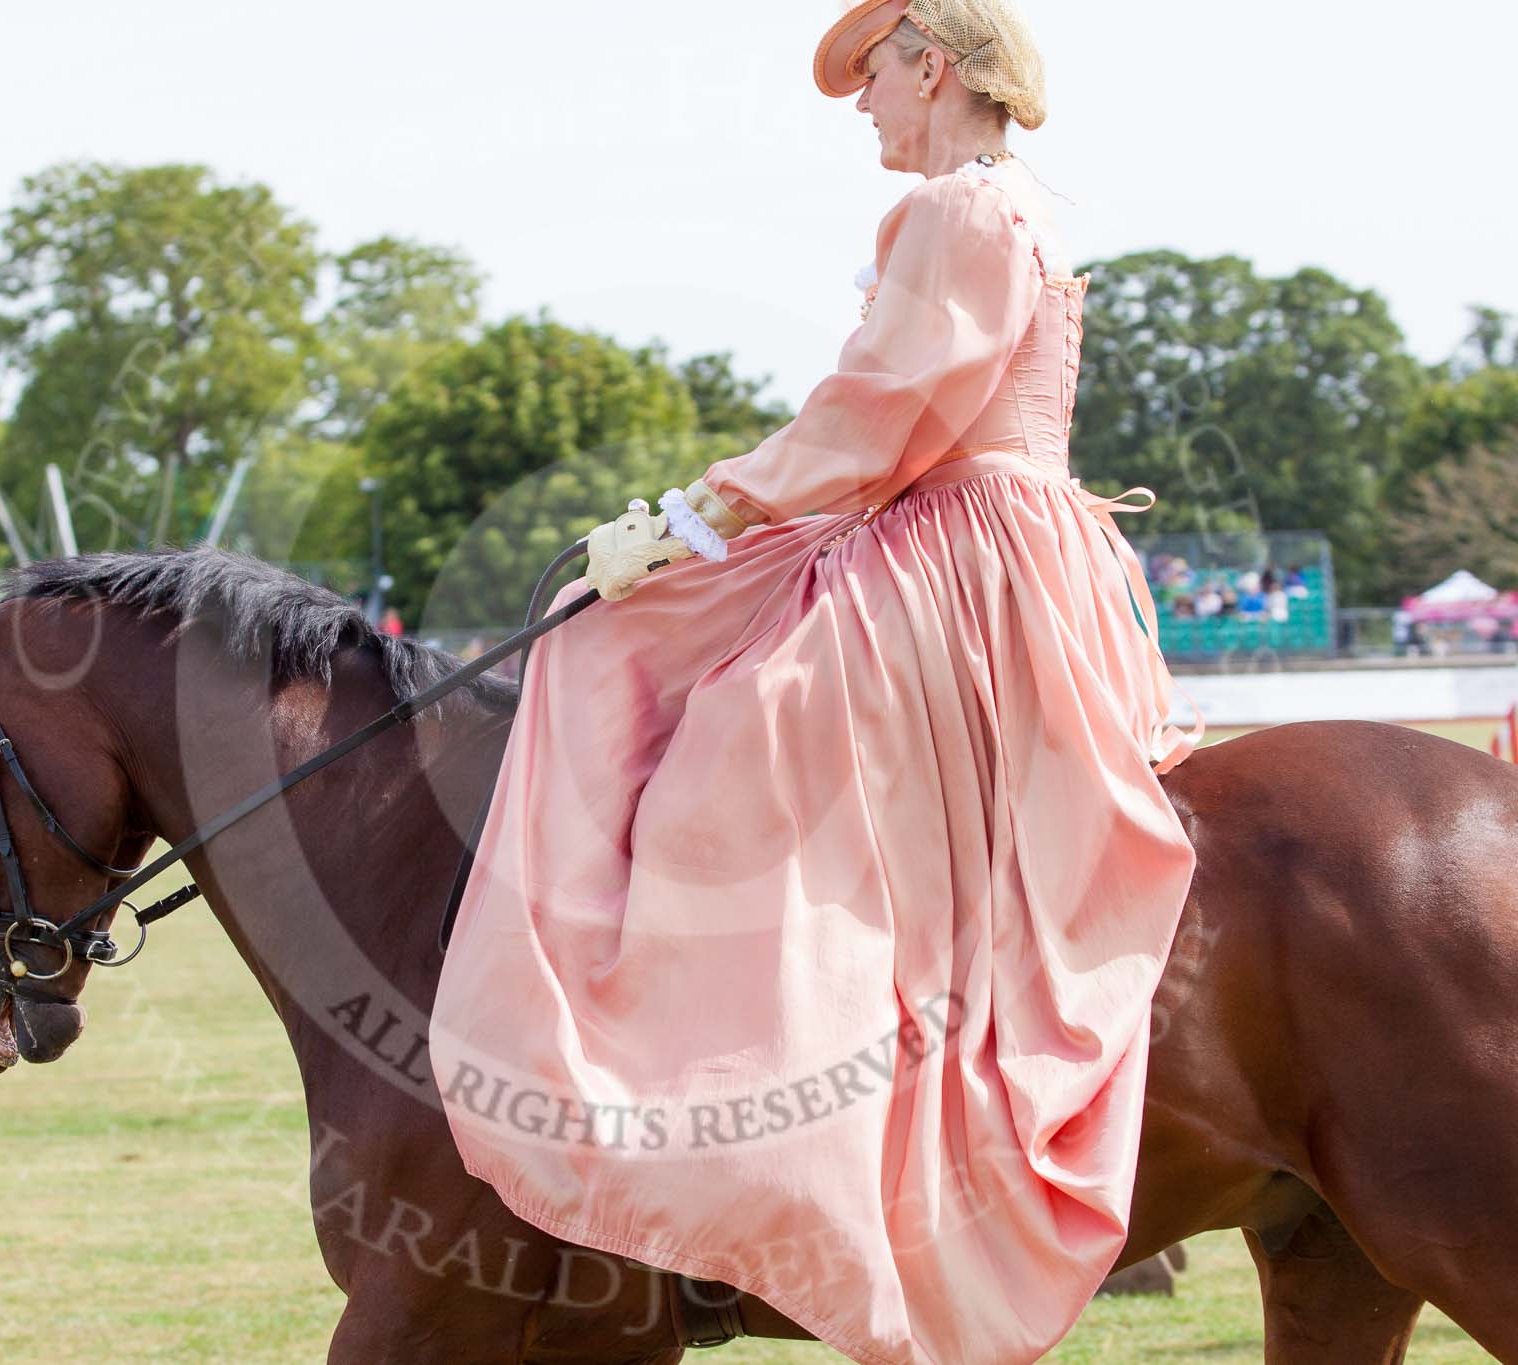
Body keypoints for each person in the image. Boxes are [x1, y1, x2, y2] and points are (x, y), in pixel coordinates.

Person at [429, 4, 1199, 1361]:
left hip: (960, 545)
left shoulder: (962, 211)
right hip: (974, 532)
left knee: (740, 736)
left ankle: (742, 1134)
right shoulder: (1001, 207)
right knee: (652, 646)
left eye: (876, 78)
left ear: (938, 69)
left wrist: (688, 517)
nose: (863, 108)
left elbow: (876, 413)